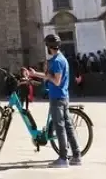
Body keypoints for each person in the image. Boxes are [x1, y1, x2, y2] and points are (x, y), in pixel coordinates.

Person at [30, 34, 82, 168]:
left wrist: (48, 75)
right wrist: (35, 73)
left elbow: (57, 81)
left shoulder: (58, 61)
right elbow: (49, 77)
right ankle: (76, 156)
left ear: (49, 46)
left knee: (60, 128)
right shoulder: (59, 59)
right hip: (63, 97)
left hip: (58, 97)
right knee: (68, 127)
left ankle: (63, 158)